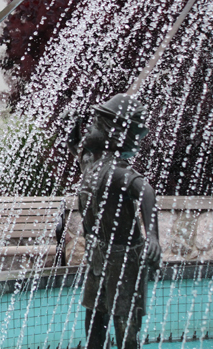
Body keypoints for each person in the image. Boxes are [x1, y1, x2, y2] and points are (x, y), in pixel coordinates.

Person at [67, 94, 161, 349]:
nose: (91, 127)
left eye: (97, 124)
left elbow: (147, 192)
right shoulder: (93, 164)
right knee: (95, 313)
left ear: (113, 132)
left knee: (123, 321)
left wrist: (152, 235)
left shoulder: (116, 171)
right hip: (99, 256)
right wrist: (74, 132)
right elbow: (77, 147)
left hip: (124, 259)